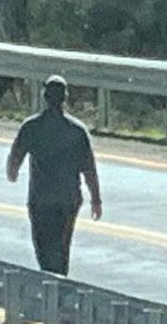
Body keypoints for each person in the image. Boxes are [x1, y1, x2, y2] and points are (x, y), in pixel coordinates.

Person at [6, 75, 104, 276]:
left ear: (44, 97)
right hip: (67, 201)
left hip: (41, 200)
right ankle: (59, 279)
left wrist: (12, 172)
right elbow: (89, 169)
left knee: (43, 248)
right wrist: (96, 199)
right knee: (62, 247)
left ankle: (49, 280)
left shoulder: (31, 127)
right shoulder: (77, 131)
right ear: (65, 98)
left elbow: (15, 160)